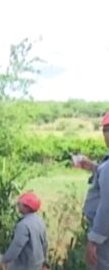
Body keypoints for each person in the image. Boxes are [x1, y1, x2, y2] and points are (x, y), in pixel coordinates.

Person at [75, 112, 109, 269]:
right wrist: (95, 167)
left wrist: (94, 239)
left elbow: (107, 206)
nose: (106, 134)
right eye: (105, 129)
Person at [0, 192, 49, 270]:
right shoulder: (39, 220)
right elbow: (45, 243)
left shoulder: (23, 225)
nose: (17, 206)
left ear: (27, 207)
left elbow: (17, 246)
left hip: (25, 266)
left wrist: (4, 260)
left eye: (19, 204)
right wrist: (44, 262)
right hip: (37, 264)